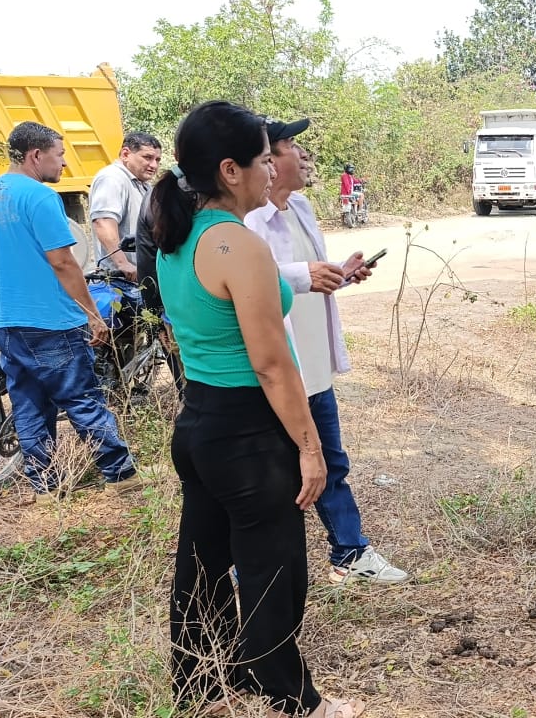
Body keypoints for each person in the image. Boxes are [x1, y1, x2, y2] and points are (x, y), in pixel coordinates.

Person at [153, 101, 365, 718]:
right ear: (230, 170)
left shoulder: (177, 234)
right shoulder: (237, 245)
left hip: (200, 421)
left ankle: (202, 689)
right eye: (263, 158)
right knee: (274, 570)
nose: (272, 168)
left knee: (202, 568)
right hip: (249, 432)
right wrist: (309, 446)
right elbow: (272, 365)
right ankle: (294, 701)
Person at [246, 118, 408, 585]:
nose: (303, 154)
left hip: (313, 364)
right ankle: (248, 566)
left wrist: (340, 272)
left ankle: (350, 553)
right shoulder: (247, 220)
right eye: (289, 146)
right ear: (268, 162)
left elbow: (308, 274)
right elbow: (253, 281)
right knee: (271, 474)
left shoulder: (300, 206)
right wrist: (305, 275)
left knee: (331, 462)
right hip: (278, 370)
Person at [0, 122, 140, 502]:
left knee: (28, 403)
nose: (65, 163)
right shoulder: (40, 197)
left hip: (4, 321)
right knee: (82, 398)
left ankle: (46, 486)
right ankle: (120, 475)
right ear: (36, 155)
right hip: (50, 320)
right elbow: (63, 261)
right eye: (60, 155)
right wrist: (92, 314)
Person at [135, 186, 186, 400]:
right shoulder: (163, 199)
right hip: (180, 315)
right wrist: (157, 321)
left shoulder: (158, 194)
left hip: (173, 314)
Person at [89, 132, 162, 280]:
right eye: (147, 157)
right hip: (121, 280)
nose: (154, 165)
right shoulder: (112, 178)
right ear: (125, 154)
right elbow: (103, 222)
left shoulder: (142, 185)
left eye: (157, 160)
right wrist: (123, 264)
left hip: (139, 278)